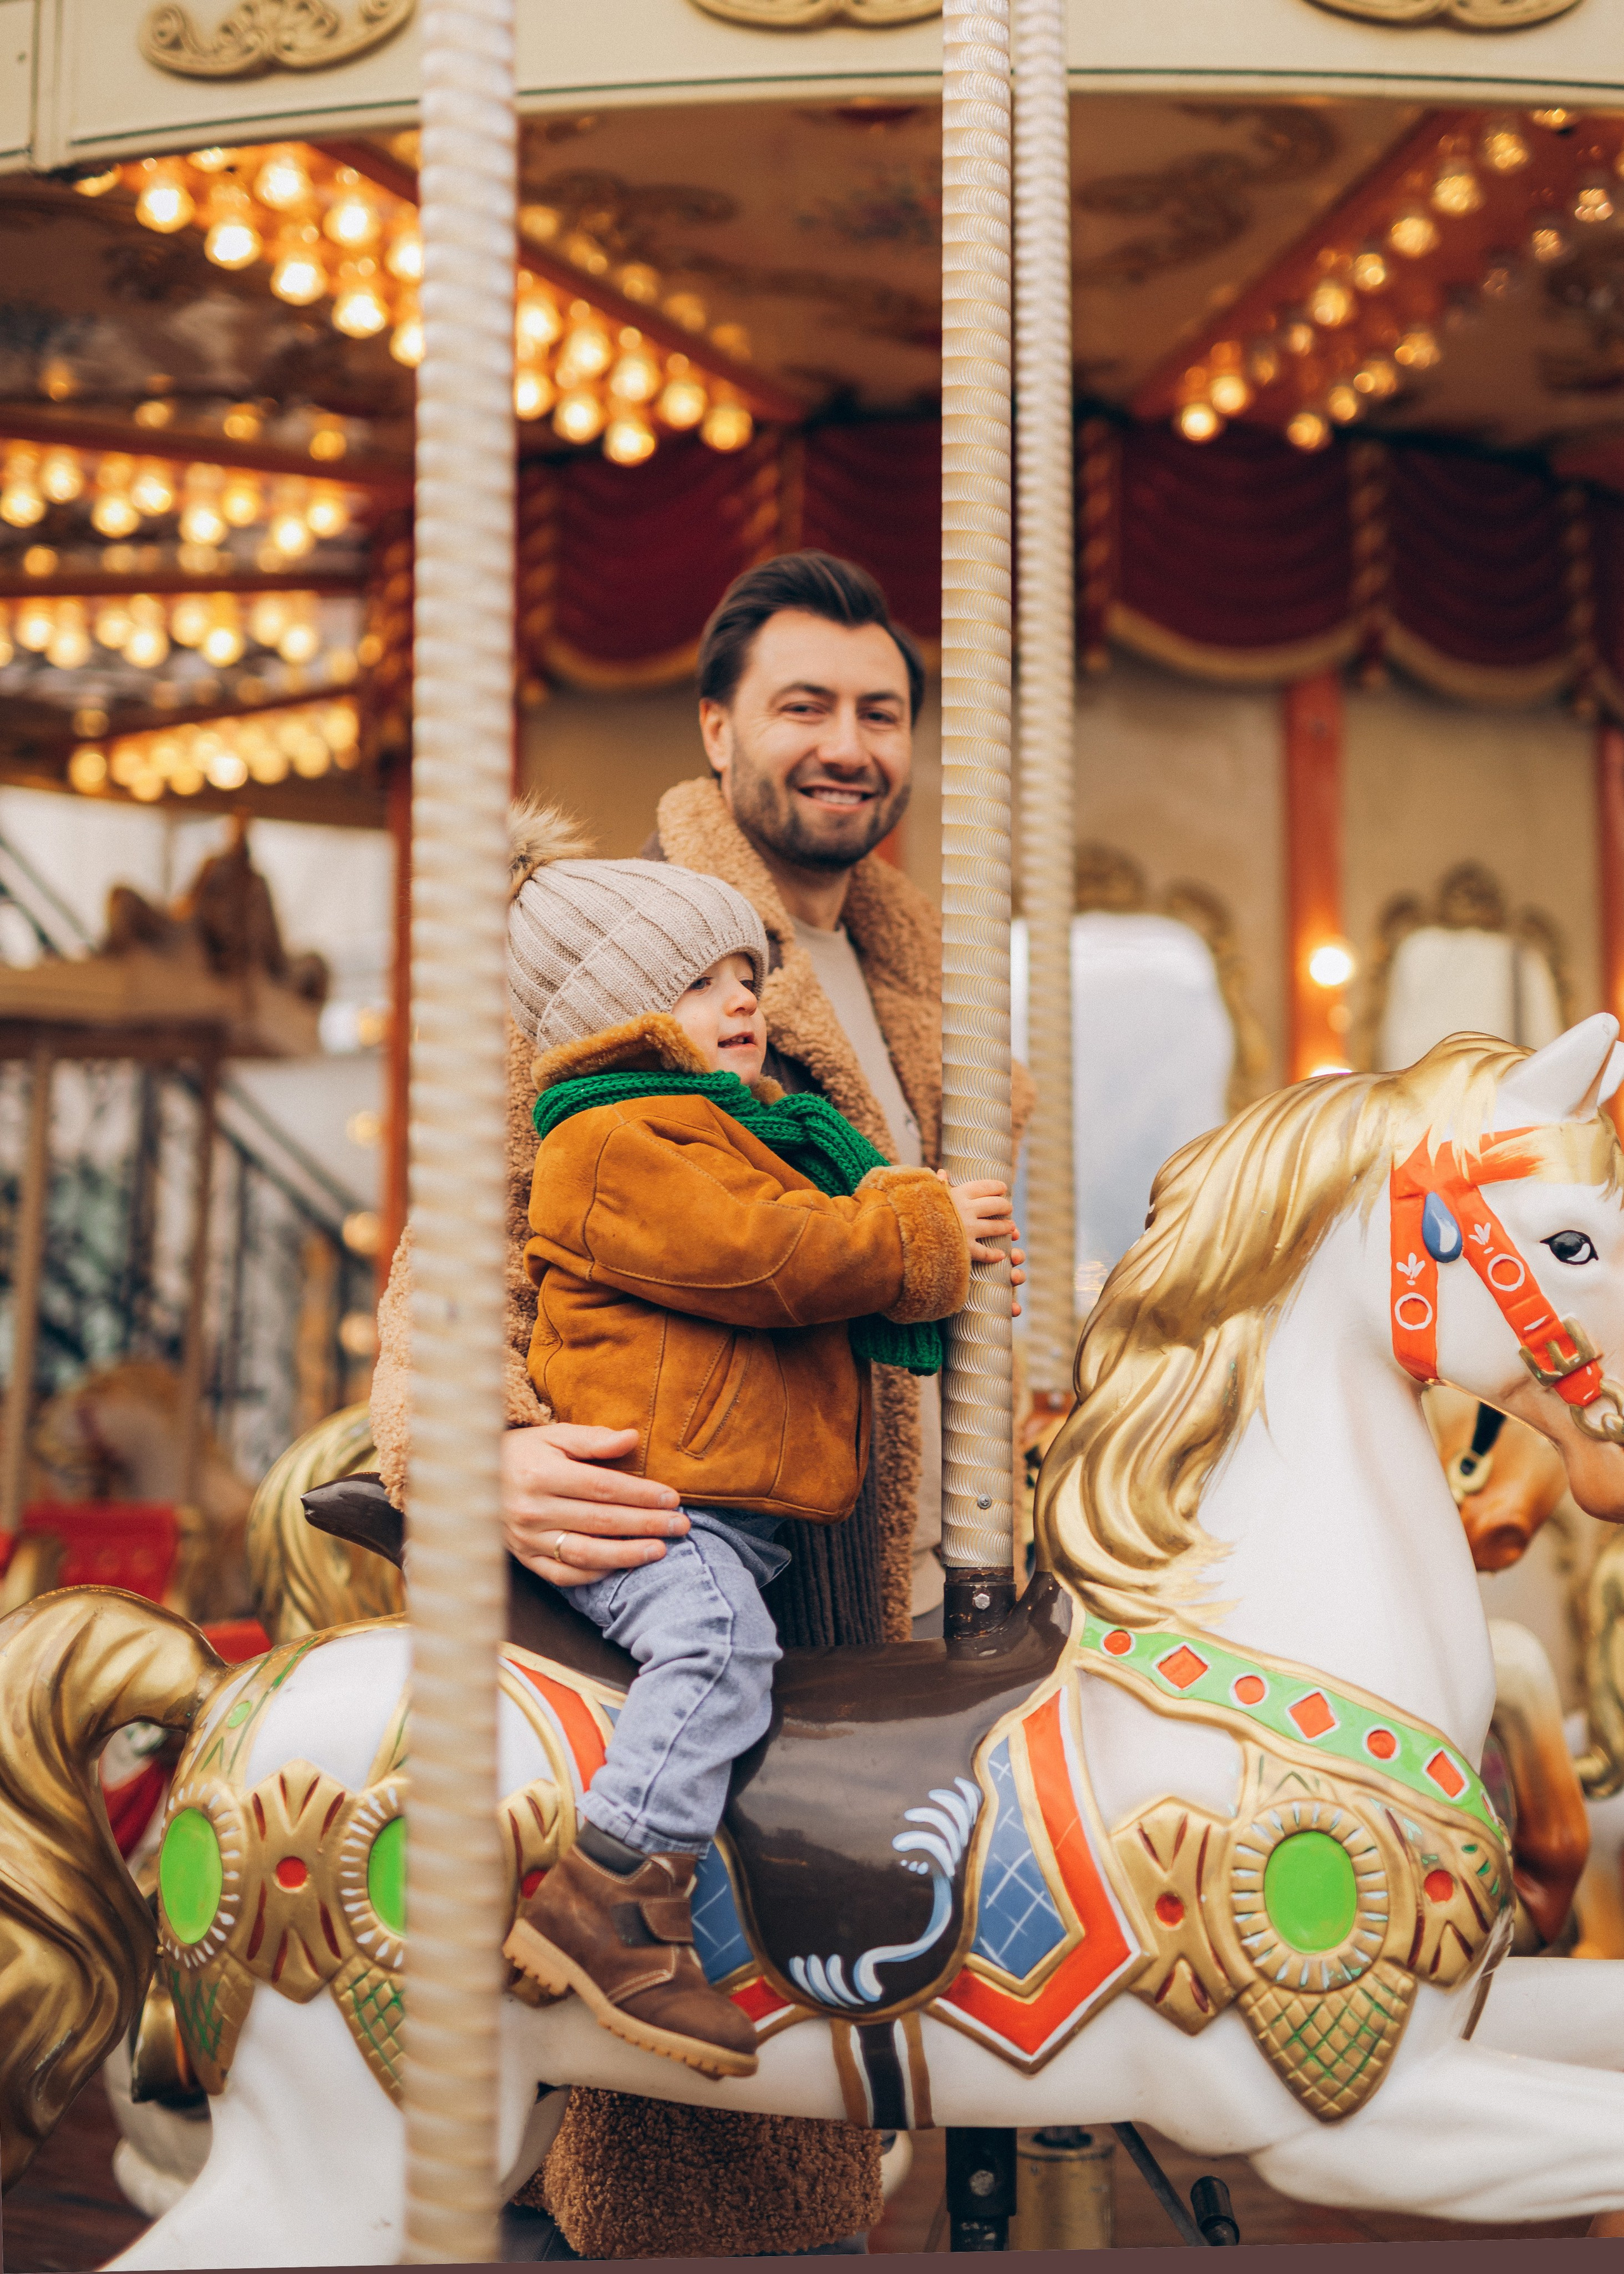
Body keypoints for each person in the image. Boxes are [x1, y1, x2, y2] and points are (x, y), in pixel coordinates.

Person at [369, 549, 1033, 2258]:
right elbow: (456, 1270)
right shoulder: (628, 980)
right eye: (804, 704)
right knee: (711, 2145)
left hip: (886, 1582)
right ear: (719, 726)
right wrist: (484, 1458)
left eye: (880, 712)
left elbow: (985, 1296)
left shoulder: (922, 999)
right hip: (702, 1536)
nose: (847, 743)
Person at [495, 831, 1013, 2075]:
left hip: (732, 1514)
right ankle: (606, 1891)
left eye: (746, 974)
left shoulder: (733, 1128)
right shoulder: (613, 1144)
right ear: (622, 1014)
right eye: (703, 982)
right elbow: (769, 1255)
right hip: (653, 1508)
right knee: (720, 1645)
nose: (745, 1000)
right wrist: (915, 1218)